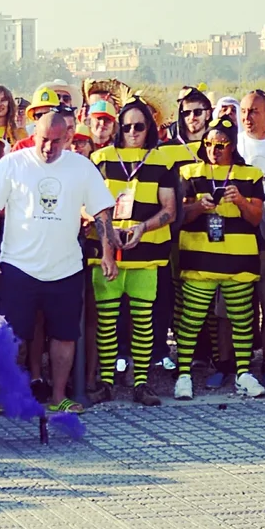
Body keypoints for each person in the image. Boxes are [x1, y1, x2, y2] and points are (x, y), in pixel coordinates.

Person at [0, 92, 117, 413]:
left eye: (56, 141)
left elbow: (102, 212)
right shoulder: (12, 164)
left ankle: (58, 398)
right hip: (17, 267)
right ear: (33, 135)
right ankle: (10, 395)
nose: (48, 147)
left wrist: (108, 252)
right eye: (43, 140)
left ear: (68, 137)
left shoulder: (81, 167)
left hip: (65, 267)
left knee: (65, 335)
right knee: (13, 336)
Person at [172, 116, 265, 402]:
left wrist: (240, 201)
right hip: (199, 259)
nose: (214, 149)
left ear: (232, 146)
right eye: (210, 144)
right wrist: (199, 207)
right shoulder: (189, 172)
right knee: (191, 319)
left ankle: (243, 373)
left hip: (239, 260)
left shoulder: (250, 175)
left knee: (242, 319)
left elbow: (256, 218)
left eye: (221, 144)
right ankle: (184, 375)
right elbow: (181, 216)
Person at [91, 99, 176, 403]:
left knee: (143, 319)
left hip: (147, 253)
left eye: (139, 126)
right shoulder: (99, 157)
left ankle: (142, 383)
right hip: (106, 253)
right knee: (107, 320)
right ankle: (107, 383)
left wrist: (142, 228)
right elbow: (88, 205)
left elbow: (170, 210)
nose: (132, 132)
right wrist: (108, 233)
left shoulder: (161, 160)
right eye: (125, 126)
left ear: (149, 128)